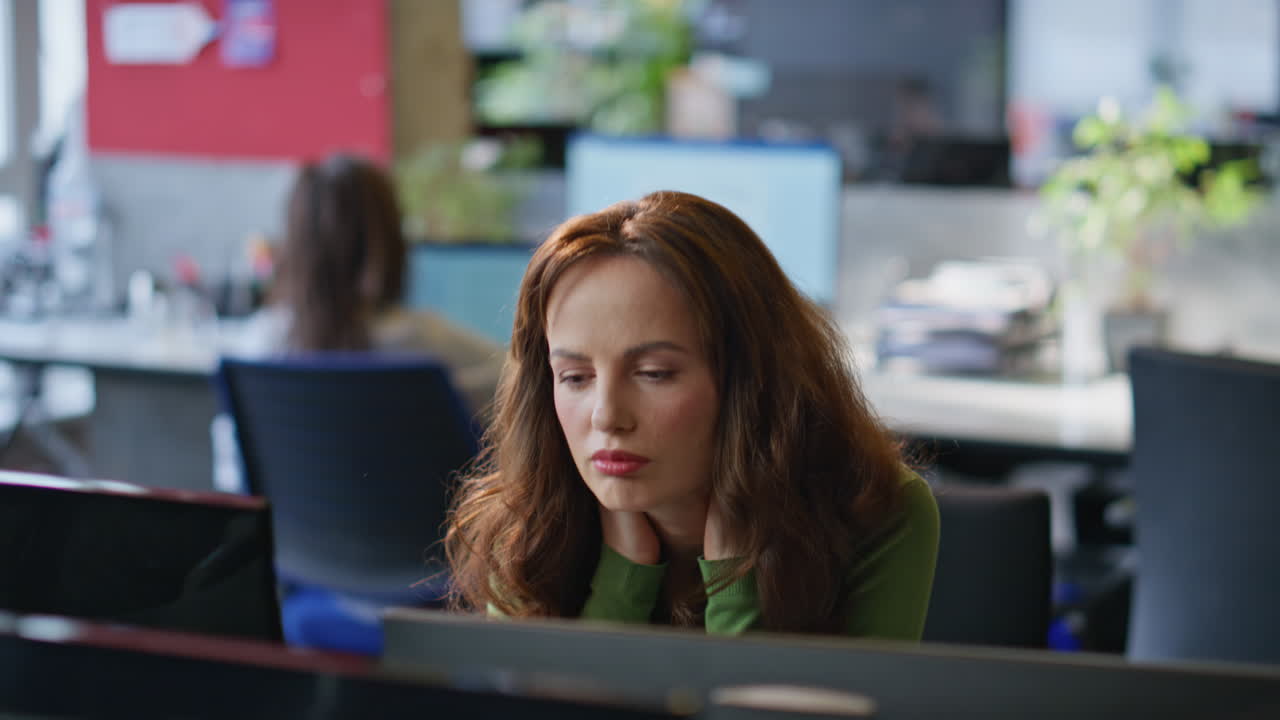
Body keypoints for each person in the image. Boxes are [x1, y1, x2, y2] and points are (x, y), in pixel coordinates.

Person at [444, 190, 938, 638]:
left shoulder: (872, 508)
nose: (607, 417)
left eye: (654, 373)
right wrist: (623, 581)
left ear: (750, 380)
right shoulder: (531, 522)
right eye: (576, 378)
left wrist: (735, 590)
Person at [214, 153, 503, 494]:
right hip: (435, 545)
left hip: (292, 547)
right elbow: (533, 384)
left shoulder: (256, 351)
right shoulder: (427, 344)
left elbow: (233, 476)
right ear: (390, 240)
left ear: (294, 245)